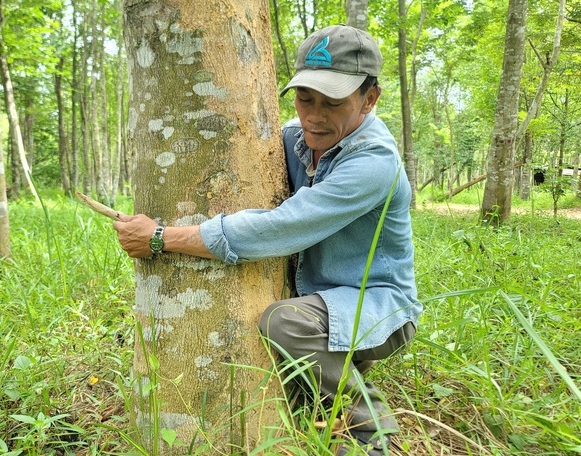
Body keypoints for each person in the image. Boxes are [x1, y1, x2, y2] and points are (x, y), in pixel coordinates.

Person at [113, 24, 421, 456]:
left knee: (285, 322)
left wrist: (163, 238)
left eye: (333, 103)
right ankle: (326, 385)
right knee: (296, 391)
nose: (314, 115)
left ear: (370, 99)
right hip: (320, 299)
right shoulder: (295, 139)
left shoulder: (374, 162)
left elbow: (281, 226)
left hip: (377, 305)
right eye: (304, 98)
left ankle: (371, 431)